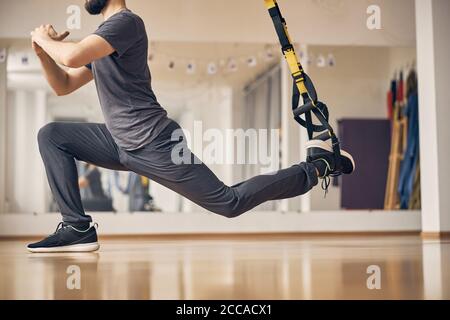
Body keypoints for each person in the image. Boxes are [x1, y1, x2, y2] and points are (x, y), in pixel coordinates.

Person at [27, 0, 355, 253]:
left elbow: (71, 58)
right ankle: (77, 228)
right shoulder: (100, 45)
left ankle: (316, 167)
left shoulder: (125, 23)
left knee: (229, 203)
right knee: (52, 136)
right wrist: (41, 52)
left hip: (154, 142)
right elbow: (64, 85)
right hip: (118, 141)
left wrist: (43, 36)